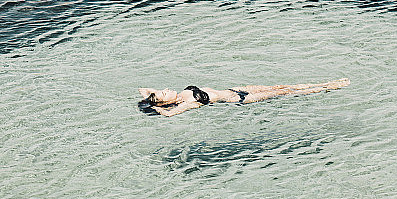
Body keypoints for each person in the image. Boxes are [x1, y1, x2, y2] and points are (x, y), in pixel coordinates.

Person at [138, 79, 350, 117]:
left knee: (279, 86)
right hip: (239, 100)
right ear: (166, 101)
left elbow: (144, 90)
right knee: (285, 93)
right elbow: (171, 114)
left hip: (235, 89)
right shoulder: (187, 103)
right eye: (164, 92)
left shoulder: (181, 93)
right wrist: (157, 108)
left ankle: (322, 83)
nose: (166, 88)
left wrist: (148, 97)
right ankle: (326, 88)